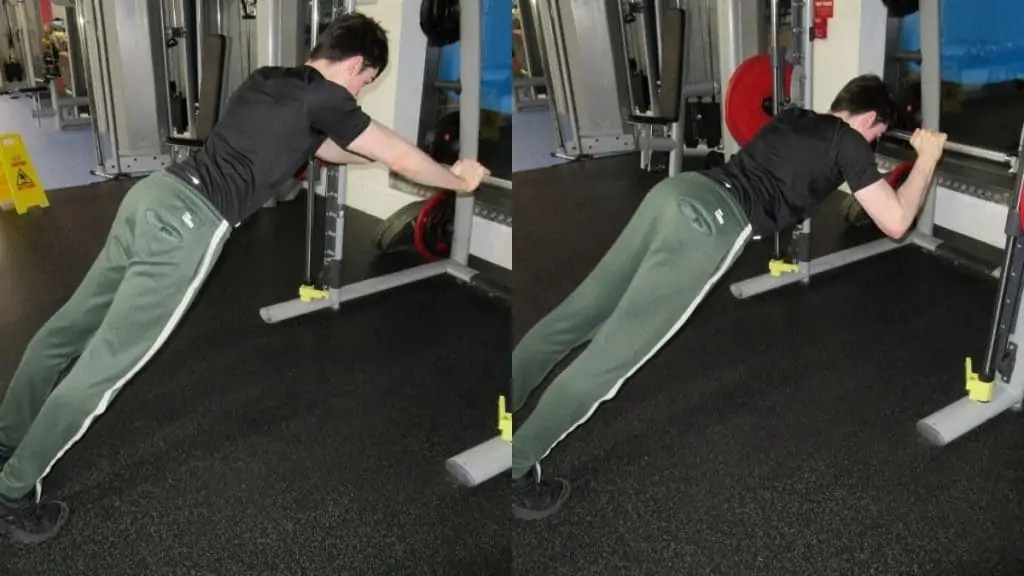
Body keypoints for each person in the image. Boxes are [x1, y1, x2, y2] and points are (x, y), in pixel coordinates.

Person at [0, 13, 490, 544]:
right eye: (364, 81)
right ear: (355, 65)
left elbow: (325, 147)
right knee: (105, 369)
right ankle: (12, 489)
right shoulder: (329, 96)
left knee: (69, 328)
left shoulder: (270, 79)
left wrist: (372, 161)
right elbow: (397, 151)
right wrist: (457, 180)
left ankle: (6, 438)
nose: (359, 91)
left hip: (152, 197)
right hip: (188, 226)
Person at [510, 74, 948, 520]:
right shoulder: (849, 142)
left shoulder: (797, 117)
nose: (872, 148)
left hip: (676, 192)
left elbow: (815, 174)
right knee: (611, 360)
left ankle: (507, 395)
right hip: (706, 227)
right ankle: (518, 465)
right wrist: (927, 159)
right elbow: (895, 223)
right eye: (875, 136)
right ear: (871, 119)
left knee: (580, 314)